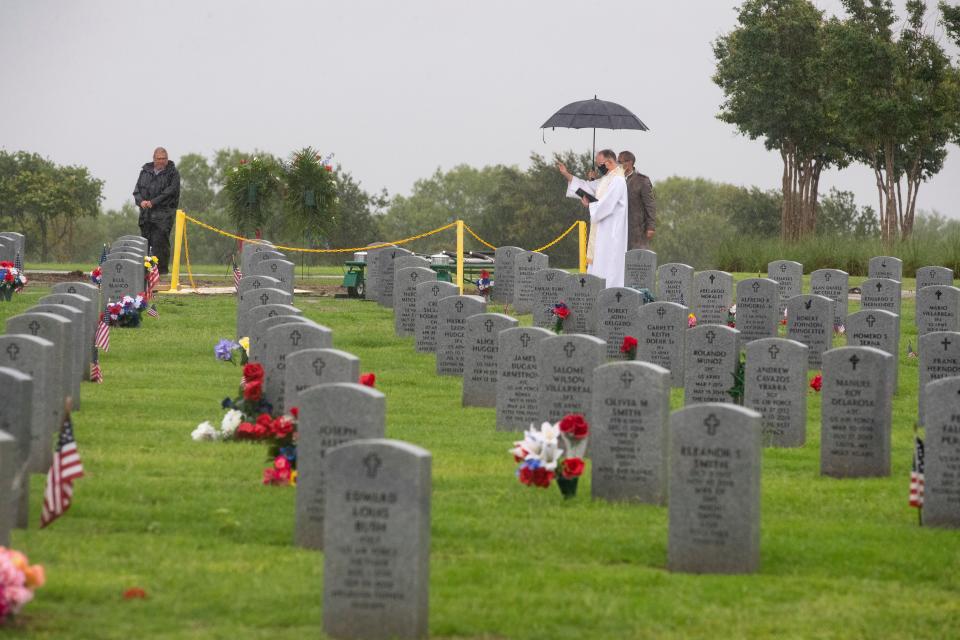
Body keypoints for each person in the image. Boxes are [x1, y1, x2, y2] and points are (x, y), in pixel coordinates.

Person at [556, 149, 628, 287]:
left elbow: (606, 205)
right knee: (598, 262)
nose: (598, 167)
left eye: (600, 163)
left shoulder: (618, 180)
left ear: (609, 161)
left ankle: (608, 293)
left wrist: (590, 205)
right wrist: (566, 174)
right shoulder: (607, 178)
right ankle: (595, 291)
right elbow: (586, 186)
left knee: (608, 264)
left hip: (612, 232)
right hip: (602, 229)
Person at [133, 147, 180, 274]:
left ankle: (162, 273)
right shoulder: (145, 172)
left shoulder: (173, 173)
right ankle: (146, 274)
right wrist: (141, 201)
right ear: (154, 159)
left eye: (164, 159)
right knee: (145, 245)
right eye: (159, 159)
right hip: (146, 216)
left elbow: (169, 193)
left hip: (163, 216)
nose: (161, 161)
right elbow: (136, 191)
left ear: (167, 159)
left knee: (160, 244)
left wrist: (152, 202)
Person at [618, 150, 657, 249]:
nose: (618, 165)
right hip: (617, 228)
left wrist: (651, 226)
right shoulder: (614, 180)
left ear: (630, 162)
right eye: (617, 162)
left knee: (636, 259)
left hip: (636, 229)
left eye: (620, 162)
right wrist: (592, 179)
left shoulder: (642, 181)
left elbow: (650, 205)